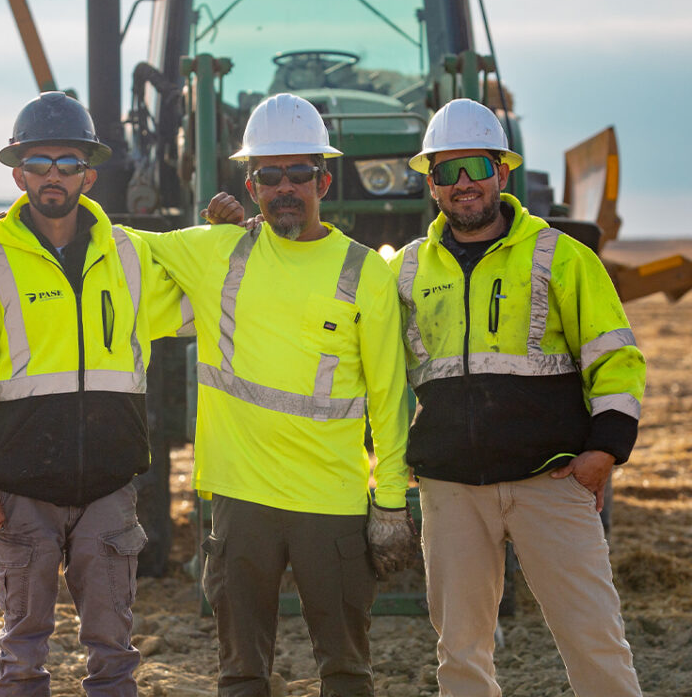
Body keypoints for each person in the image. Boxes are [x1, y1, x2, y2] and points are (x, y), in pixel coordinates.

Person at [135, 93, 417, 697]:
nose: (286, 187)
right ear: (251, 182)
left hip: (333, 502)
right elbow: (119, 244)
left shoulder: (365, 271)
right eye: (270, 174)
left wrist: (390, 502)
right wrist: (17, 228)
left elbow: (391, 399)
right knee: (240, 674)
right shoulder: (217, 250)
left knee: (345, 670)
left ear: (324, 179)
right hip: (242, 500)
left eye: (299, 174)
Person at [389, 98, 647, 697]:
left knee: (594, 640)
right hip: (452, 491)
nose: (463, 184)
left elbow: (616, 359)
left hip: (551, 482)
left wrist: (604, 452)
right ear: (431, 184)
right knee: (460, 652)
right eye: (446, 171)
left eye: (475, 166)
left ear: (502, 173)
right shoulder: (403, 272)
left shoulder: (561, 256)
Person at [0, 91, 188, 697]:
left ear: (89, 175)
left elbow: (193, 300)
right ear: (19, 173)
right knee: (22, 653)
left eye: (68, 164)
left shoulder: (128, 256)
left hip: (109, 483)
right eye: (41, 163)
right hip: (22, 489)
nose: (55, 175)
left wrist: (238, 235)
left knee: (114, 655)